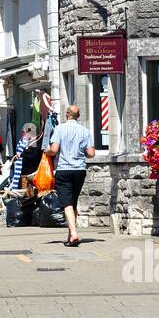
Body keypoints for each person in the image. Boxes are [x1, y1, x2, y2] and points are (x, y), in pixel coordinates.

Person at [46, 105, 96, 247]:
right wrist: (82, 153)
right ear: (78, 116)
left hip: (64, 170)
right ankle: (70, 236)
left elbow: (54, 150)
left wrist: (46, 152)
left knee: (66, 203)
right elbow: (91, 154)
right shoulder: (85, 131)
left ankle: (74, 233)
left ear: (67, 114)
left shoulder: (59, 129)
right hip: (80, 170)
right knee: (73, 202)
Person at [9, 123, 43, 198]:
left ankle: (28, 204)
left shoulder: (36, 143)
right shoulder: (31, 142)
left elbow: (32, 155)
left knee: (27, 193)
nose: (23, 135)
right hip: (26, 173)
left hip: (31, 174)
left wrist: (21, 155)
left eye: (24, 132)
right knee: (24, 192)